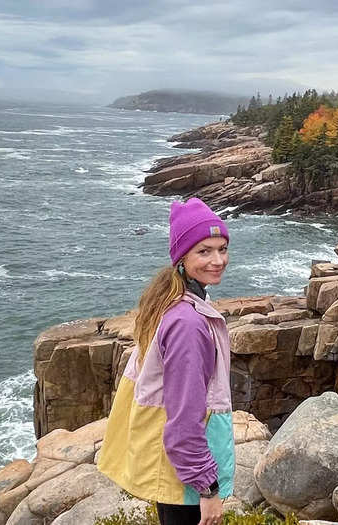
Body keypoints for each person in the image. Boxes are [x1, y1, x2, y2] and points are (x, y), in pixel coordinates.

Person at [98, 197, 235, 525]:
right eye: (204, 251)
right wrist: (207, 488)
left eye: (222, 249)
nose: (217, 260)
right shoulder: (187, 322)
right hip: (185, 481)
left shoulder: (173, 300)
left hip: (171, 469)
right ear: (182, 257)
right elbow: (185, 415)